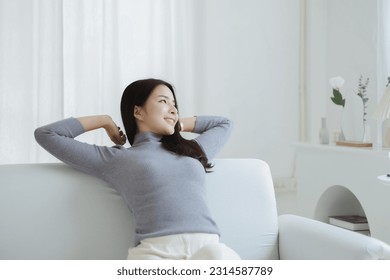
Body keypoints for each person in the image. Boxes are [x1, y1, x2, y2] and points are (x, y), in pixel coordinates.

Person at [35, 78, 240, 260]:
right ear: (137, 111)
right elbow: (46, 134)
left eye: (174, 104)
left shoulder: (192, 150)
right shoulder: (118, 158)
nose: (173, 109)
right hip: (155, 253)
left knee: (219, 255)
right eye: (163, 101)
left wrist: (176, 124)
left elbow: (224, 124)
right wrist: (104, 121)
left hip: (207, 248)